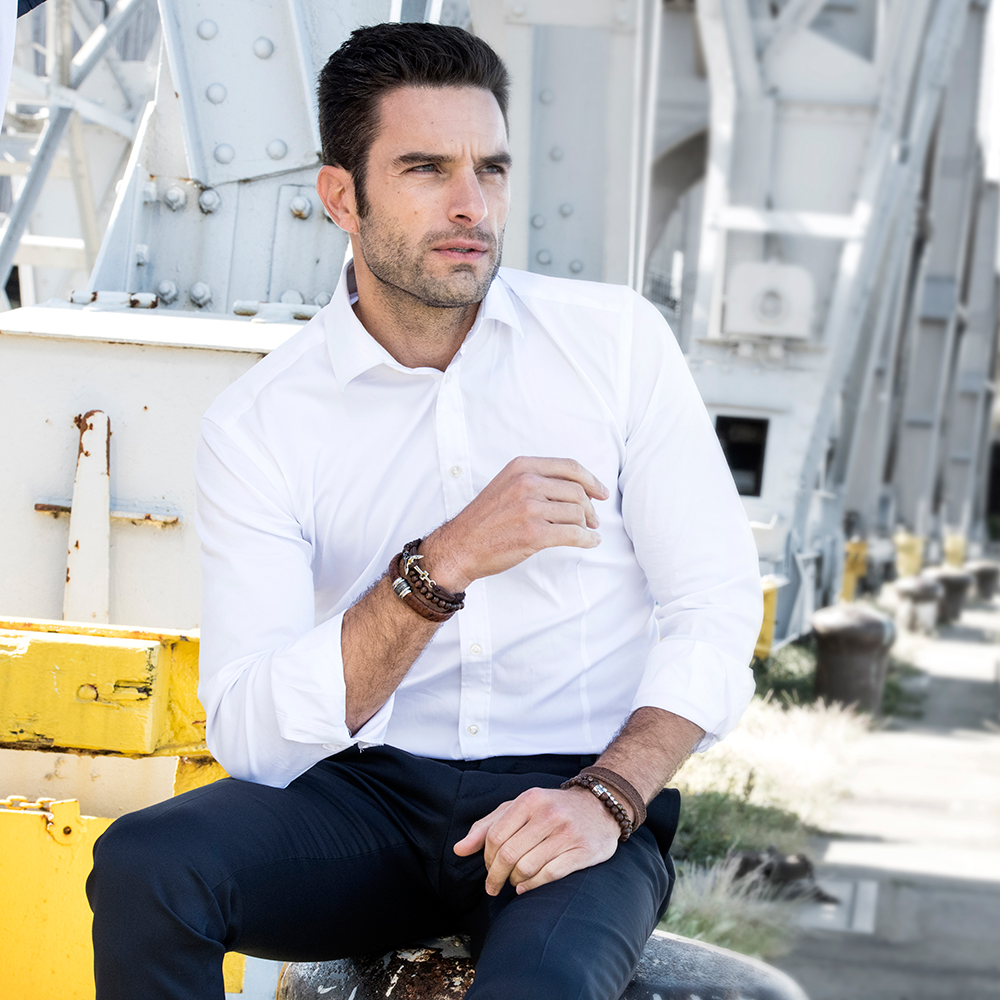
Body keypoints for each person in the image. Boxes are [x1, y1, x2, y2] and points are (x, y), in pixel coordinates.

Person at [87, 21, 762, 1000]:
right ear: (340, 197)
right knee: (148, 866)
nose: (470, 205)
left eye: (490, 169)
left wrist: (609, 796)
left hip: (571, 794)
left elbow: (713, 606)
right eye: (425, 168)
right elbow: (252, 733)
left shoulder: (614, 346)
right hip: (365, 799)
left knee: (540, 989)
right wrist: (438, 565)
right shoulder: (261, 422)